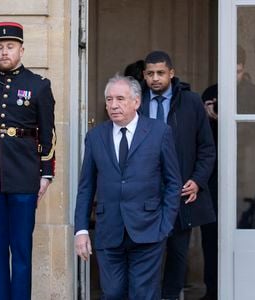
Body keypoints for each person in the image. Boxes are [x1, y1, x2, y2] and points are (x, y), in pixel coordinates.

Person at [74, 74, 182, 300]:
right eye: (109, 99)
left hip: (149, 229)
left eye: (120, 99)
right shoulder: (95, 137)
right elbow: (86, 186)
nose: (113, 105)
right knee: (112, 293)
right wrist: (81, 230)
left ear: (136, 102)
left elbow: (173, 182)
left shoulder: (159, 132)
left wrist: (165, 223)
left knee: (143, 294)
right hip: (108, 230)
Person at [0, 22, 56, 300]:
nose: (4, 52)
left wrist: (46, 174)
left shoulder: (38, 85)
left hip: (24, 180)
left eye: (10, 47)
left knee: (21, 252)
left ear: (22, 49)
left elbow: (48, 134)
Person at [140, 50, 216, 300]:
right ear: (144, 75)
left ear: (171, 73)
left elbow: (206, 148)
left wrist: (197, 181)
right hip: (145, 194)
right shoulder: (135, 101)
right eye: (150, 74)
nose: (155, 79)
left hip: (181, 194)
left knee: (177, 256)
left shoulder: (192, 102)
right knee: (145, 255)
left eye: (161, 73)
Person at [201, 83, 218, 300]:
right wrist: (208, 118)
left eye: (239, 71)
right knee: (210, 236)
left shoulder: (252, 93)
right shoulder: (210, 93)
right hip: (211, 178)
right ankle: (212, 290)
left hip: (247, 171)